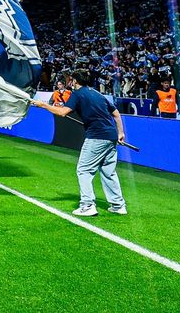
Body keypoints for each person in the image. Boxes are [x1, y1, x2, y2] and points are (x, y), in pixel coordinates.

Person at [31, 70, 127, 217]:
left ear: (75, 81)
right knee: (108, 171)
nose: (70, 82)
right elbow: (116, 114)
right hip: (111, 136)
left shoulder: (77, 94)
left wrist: (43, 105)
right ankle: (118, 205)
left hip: (96, 136)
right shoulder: (97, 94)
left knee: (84, 169)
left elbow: (62, 112)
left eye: (71, 80)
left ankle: (87, 205)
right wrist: (120, 133)